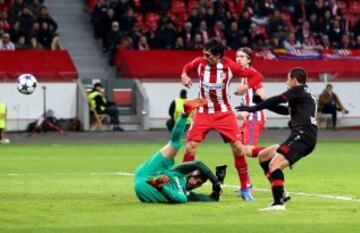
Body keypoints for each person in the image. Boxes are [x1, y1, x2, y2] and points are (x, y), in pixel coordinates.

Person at [180, 38, 264, 201]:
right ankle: (182, 185)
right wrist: (184, 75)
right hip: (203, 112)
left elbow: (257, 76)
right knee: (190, 148)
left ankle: (245, 188)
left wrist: (246, 87)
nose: (204, 57)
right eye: (203, 54)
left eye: (208, 55)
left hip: (224, 113)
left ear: (218, 56)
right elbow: (187, 67)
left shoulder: (230, 66)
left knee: (238, 149)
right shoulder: (199, 63)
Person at [236, 67, 318, 211]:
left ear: (294, 80)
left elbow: (278, 99)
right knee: (263, 156)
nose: (286, 82)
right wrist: (262, 104)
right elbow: (285, 110)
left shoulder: (298, 90)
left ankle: (278, 203)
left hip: (302, 136)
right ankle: (281, 193)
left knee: (274, 164)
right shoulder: (305, 93)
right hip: (304, 136)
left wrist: (252, 108)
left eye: (288, 78)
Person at [134, 98, 227, 203]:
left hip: (150, 189)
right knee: (175, 146)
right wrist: (214, 180)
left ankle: (159, 186)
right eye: (196, 179)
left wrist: (216, 190)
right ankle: (185, 113)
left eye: (199, 184)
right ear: (191, 174)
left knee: (182, 199)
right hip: (147, 173)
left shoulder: (186, 194)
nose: (195, 184)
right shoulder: (180, 172)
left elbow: (211, 199)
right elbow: (197, 164)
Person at [234, 47, 267, 199]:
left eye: (242, 56)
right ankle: (246, 185)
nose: (238, 59)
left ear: (249, 60)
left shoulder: (252, 75)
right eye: (237, 56)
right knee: (239, 150)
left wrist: (249, 110)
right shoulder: (243, 76)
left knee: (247, 149)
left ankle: (277, 153)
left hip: (255, 116)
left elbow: (263, 95)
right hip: (248, 117)